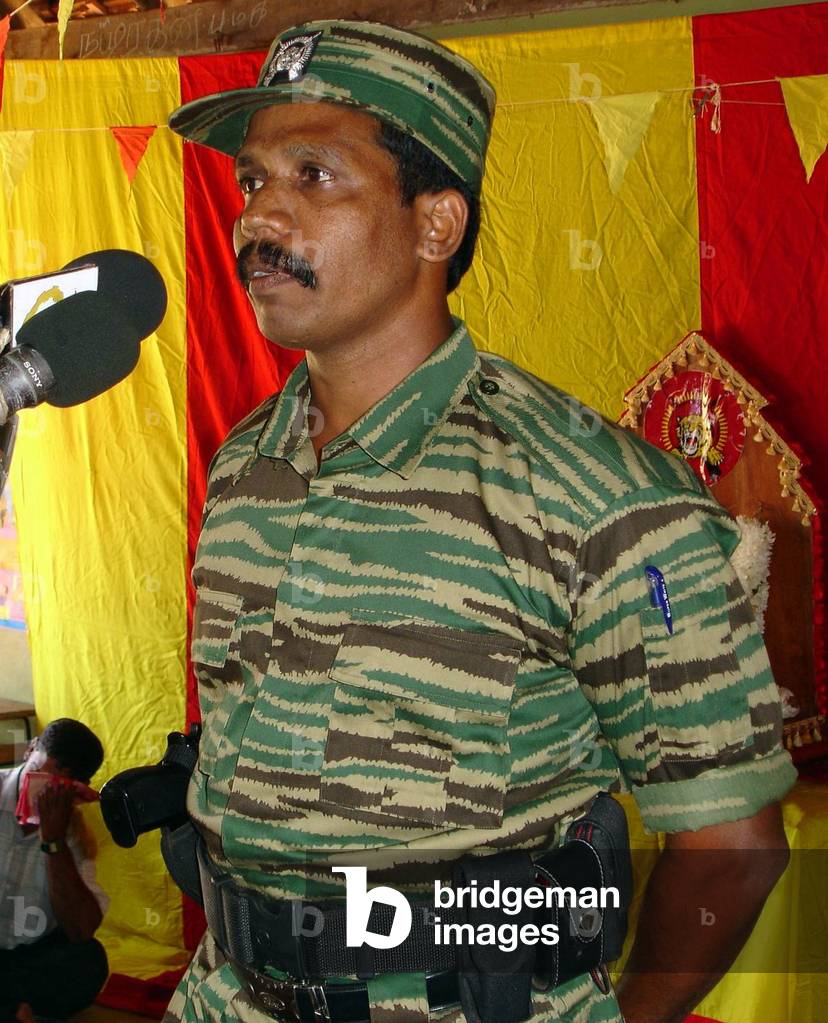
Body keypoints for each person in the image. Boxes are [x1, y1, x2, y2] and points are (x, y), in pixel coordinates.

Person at [165, 20, 796, 1023]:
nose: (259, 219)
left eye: (315, 175)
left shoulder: (599, 495)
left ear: (436, 224)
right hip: (224, 998)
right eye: (252, 182)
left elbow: (732, 849)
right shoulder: (247, 464)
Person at [0, 718, 109, 1021]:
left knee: (88, 962)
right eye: (46, 770)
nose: (47, 792)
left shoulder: (73, 831)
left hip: (27, 957)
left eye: (62, 785)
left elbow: (80, 928)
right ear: (30, 749)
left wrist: (54, 841)